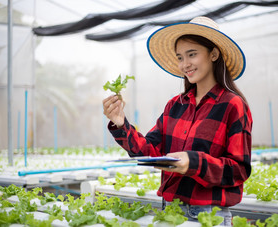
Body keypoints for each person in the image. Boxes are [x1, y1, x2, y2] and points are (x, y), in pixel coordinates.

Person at [102, 16, 252, 226]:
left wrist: (194, 162)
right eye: (180, 57)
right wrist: (120, 123)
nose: (185, 64)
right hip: (170, 209)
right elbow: (149, 151)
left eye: (192, 54)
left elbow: (239, 170)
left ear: (214, 54)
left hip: (208, 215)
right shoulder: (175, 105)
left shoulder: (232, 105)